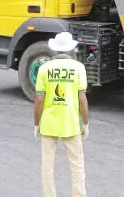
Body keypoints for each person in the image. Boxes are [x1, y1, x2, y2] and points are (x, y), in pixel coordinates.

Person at [34, 32, 89, 197]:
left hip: (49, 124)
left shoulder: (44, 69)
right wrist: (85, 123)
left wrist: (37, 124)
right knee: (77, 166)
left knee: (47, 166)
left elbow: (39, 99)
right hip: (71, 124)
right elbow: (82, 100)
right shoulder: (78, 68)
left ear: (55, 49)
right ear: (71, 49)